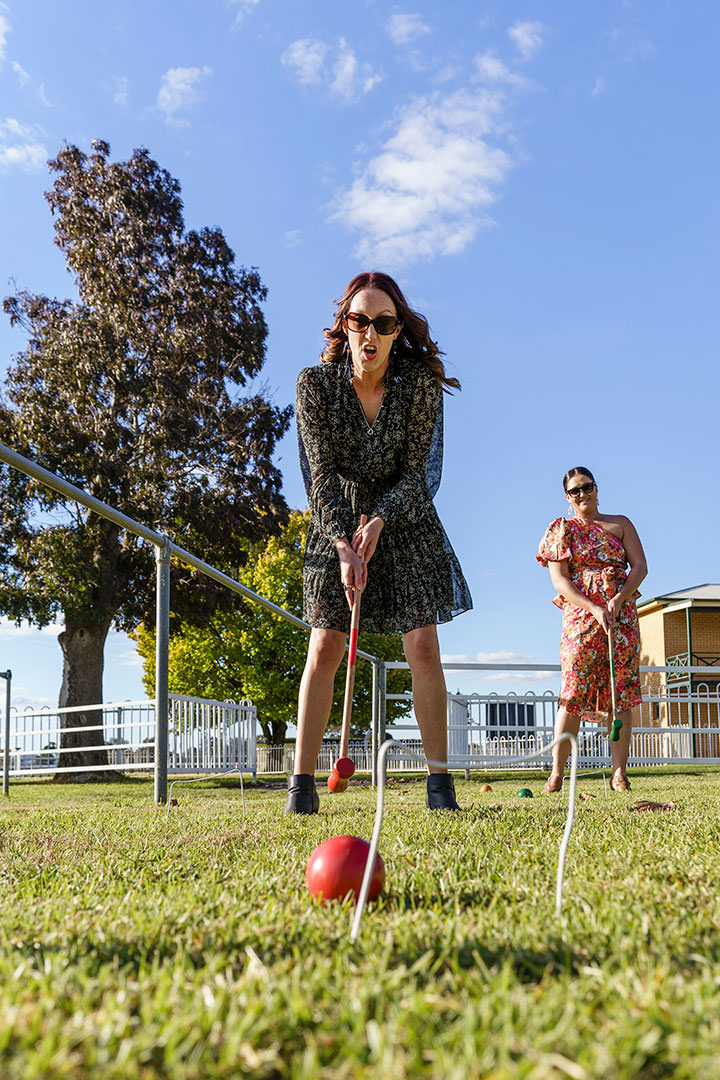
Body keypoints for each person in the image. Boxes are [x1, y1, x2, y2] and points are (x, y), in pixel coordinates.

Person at [286, 271, 472, 814]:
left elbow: (419, 472)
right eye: (360, 320)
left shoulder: (417, 387)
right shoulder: (314, 386)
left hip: (404, 518)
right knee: (325, 645)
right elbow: (318, 474)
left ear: (396, 331)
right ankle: (301, 787)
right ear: (344, 327)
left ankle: (440, 787)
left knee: (423, 645)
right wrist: (344, 541)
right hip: (336, 517)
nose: (371, 332)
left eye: (384, 323)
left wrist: (381, 520)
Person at [537, 467, 647, 792]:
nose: (582, 494)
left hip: (621, 614)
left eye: (587, 487)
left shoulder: (621, 524)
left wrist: (617, 600)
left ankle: (619, 773)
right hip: (581, 617)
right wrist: (594, 607)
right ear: (567, 496)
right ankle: (557, 773)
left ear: (596, 488)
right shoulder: (562, 528)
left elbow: (640, 567)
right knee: (573, 691)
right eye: (575, 490)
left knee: (621, 693)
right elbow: (560, 580)